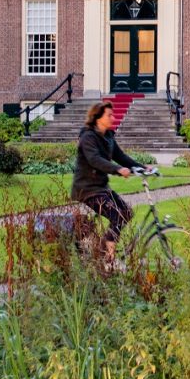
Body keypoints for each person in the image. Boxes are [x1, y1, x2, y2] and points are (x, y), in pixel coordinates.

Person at [73, 101, 137, 264]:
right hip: (87, 189)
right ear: (97, 118)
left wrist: (144, 168)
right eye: (109, 115)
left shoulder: (108, 136)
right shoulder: (88, 137)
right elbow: (95, 159)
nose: (113, 118)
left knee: (126, 212)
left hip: (101, 188)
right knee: (117, 214)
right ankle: (108, 257)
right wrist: (117, 170)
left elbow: (121, 157)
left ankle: (100, 250)